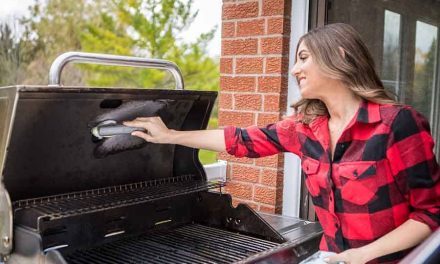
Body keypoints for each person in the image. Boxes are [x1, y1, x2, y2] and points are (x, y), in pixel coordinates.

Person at [124, 23, 440, 264]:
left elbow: (430, 215)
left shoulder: (396, 124)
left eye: (303, 58)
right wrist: (170, 136)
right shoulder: (305, 129)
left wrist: (357, 257)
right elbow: (240, 139)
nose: (294, 70)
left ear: (340, 56)